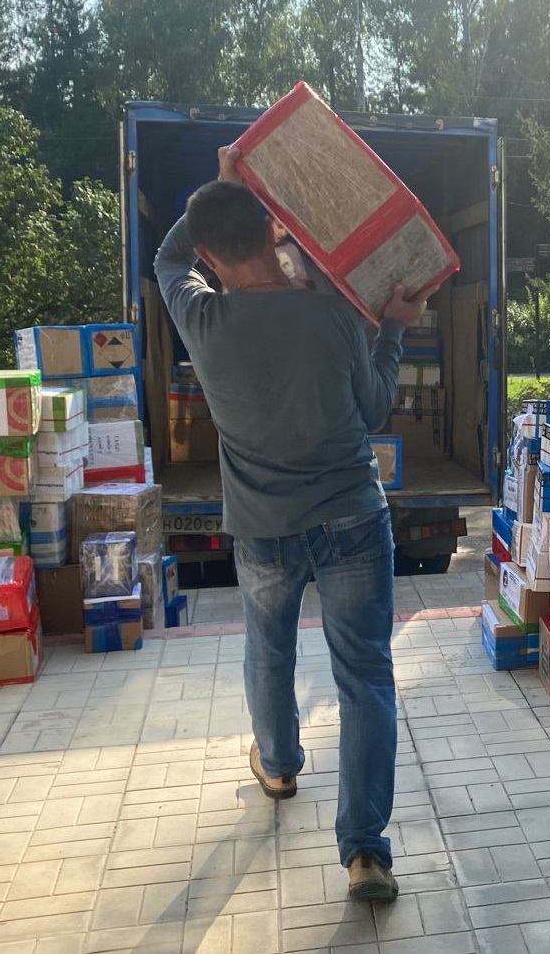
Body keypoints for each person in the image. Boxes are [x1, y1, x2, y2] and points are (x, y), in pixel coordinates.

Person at [154, 146, 436, 903]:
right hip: (351, 517)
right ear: (273, 229)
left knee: (269, 651)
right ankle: (365, 853)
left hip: (262, 528)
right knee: (365, 678)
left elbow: (169, 254)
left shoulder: (201, 315)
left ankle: (278, 767)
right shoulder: (333, 311)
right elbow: (372, 410)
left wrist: (223, 181)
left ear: (211, 255)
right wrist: (394, 329)